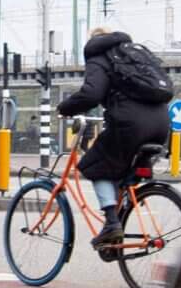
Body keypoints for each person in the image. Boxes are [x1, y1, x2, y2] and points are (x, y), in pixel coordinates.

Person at [56, 27, 173, 248]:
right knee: (123, 173)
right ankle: (116, 230)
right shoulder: (135, 54)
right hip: (161, 124)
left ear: (94, 41)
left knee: (94, 164)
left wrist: (65, 108)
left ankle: (111, 223)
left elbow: (91, 94)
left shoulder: (99, 57)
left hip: (131, 125)